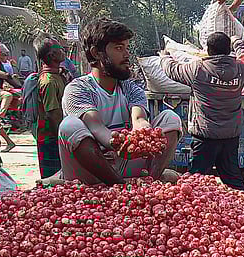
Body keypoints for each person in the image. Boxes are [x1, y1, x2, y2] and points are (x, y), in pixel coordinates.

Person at [58, 19, 182, 185]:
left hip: (124, 164)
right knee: (69, 126)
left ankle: (151, 181)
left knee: (170, 118)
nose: (126, 55)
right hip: (90, 173)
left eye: (126, 48)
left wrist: (144, 133)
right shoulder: (78, 89)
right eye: (119, 48)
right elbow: (96, 126)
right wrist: (120, 144)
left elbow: (139, 118)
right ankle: (119, 185)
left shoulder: (131, 88)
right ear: (96, 53)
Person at [162, 31, 244, 192]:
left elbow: (172, 70)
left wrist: (165, 56)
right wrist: (237, 40)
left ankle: (194, 208)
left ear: (208, 50)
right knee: (233, 180)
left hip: (205, 137)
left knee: (196, 180)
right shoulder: (241, 68)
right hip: (230, 136)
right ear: (228, 49)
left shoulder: (198, 69)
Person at [34, 39, 67, 181]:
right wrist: (63, 142)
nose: (63, 51)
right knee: (53, 181)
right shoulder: (49, 81)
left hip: (55, 136)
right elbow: (53, 115)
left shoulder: (57, 76)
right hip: (51, 139)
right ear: (52, 55)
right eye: (60, 49)